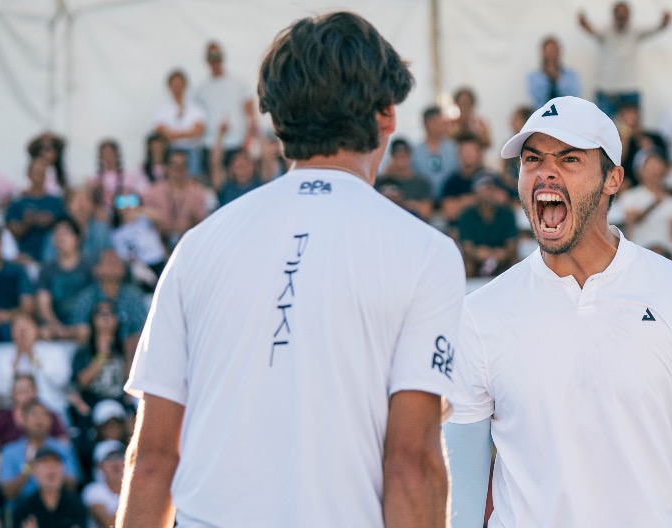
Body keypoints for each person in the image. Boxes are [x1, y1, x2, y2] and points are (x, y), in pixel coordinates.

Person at [119, 12, 464, 528]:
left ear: (277, 122)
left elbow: (152, 461)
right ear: (387, 114)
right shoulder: (425, 253)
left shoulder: (198, 246)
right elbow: (411, 466)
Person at [445, 96, 672, 527]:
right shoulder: (480, 314)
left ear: (613, 179)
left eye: (568, 159)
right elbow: (461, 492)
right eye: (532, 159)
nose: (545, 172)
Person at [577, 2, 672, 115]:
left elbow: (654, 30)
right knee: (603, 128)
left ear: (629, 16)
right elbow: (591, 30)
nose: (622, 18)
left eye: (624, 15)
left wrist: (663, 24)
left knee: (631, 131)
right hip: (607, 91)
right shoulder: (606, 31)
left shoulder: (635, 31)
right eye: (619, 15)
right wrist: (584, 23)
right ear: (614, 16)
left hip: (630, 89)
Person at [616, 151, 672, 252]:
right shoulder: (631, 196)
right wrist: (654, 203)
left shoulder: (671, 201)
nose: (655, 169)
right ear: (640, 171)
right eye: (650, 165)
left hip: (665, 256)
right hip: (640, 254)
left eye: (658, 164)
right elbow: (633, 218)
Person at [194, 41, 258, 172]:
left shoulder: (239, 83)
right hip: (211, 144)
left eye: (217, 56)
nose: (215, 61)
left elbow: (251, 113)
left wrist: (249, 138)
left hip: (237, 142)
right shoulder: (201, 89)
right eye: (211, 57)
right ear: (206, 60)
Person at [68, 249, 149, 352]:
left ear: (123, 270)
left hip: (130, 351)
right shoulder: (87, 296)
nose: (112, 265)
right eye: (108, 262)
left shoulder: (134, 295)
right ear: (96, 270)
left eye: (116, 262)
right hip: (95, 351)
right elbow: (80, 328)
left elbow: (143, 328)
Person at [0, 400, 79, 501]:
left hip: (58, 505)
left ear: (50, 420)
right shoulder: (9, 451)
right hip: (22, 507)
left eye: (44, 414)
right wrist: (28, 468)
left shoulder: (63, 448)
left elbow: (72, 486)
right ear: (23, 420)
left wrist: (53, 470)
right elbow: (8, 493)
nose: (39, 419)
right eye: (34, 414)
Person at [37, 219, 94, 341]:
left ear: (77, 238)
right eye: (57, 234)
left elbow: (94, 300)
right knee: (44, 333)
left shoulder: (89, 267)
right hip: (56, 324)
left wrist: (77, 327)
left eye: (66, 233)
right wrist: (56, 326)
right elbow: (43, 305)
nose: (61, 237)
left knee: (86, 331)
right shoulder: (47, 270)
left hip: (84, 324)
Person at [0, 374, 69, 450]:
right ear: (13, 394)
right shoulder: (1, 417)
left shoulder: (49, 415)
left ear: (35, 392)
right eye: (20, 392)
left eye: (27, 391)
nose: (24, 396)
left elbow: (63, 444)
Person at [142, 149, 209, 246]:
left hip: (190, 241)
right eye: (174, 165)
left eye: (183, 165)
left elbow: (204, 224)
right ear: (167, 167)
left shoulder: (197, 191)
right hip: (159, 243)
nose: (178, 169)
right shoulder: (154, 191)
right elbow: (145, 221)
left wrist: (194, 216)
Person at [6, 158, 67, 261]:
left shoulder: (56, 202)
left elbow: (67, 226)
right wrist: (26, 223)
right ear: (29, 175)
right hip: (26, 257)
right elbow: (11, 233)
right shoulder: (18, 202)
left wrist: (52, 221)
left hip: (54, 258)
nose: (39, 176)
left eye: (42, 173)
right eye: (36, 173)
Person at [73, 301, 130, 411]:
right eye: (101, 314)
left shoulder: (124, 349)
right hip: (93, 404)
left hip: (120, 403)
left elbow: (129, 381)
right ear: (92, 320)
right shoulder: (84, 351)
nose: (106, 318)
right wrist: (101, 356)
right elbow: (81, 383)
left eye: (110, 313)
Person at [11, 448, 89, 528]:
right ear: (34, 471)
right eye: (45, 462)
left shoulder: (75, 504)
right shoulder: (24, 508)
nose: (51, 467)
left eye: (56, 463)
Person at [457, 176, 518, 277]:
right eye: (485, 189)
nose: (489, 193)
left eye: (492, 189)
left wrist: (504, 253)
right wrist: (477, 253)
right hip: (476, 259)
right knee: (468, 265)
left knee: (515, 261)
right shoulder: (466, 215)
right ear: (475, 193)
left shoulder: (507, 213)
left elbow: (512, 244)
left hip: (501, 258)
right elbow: (466, 246)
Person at [153, 69, 206, 176]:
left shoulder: (195, 107)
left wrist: (176, 134)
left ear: (185, 86)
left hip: (191, 149)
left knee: (192, 178)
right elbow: (161, 130)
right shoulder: (162, 109)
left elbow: (199, 130)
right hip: (170, 149)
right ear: (169, 86)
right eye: (174, 84)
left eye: (180, 84)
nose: (177, 87)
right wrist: (185, 133)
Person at [440, 134, 500, 221]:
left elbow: (503, 202)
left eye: (471, 150)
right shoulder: (451, 182)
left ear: (479, 153)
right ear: (458, 154)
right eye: (464, 151)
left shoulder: (491, 177)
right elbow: (450, 213)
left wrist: (462, 202)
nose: (468, 154)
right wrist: (480, 197)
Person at [376, 138, 436, 221]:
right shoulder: (381, 181)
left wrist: (402, 203)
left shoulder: (421, 182)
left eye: (404, 155)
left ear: (411, 156)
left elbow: (426, 212)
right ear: (392, 157)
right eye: (398, 156)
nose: (401, 160)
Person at [90, 139, 150, 219]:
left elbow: (138, 197)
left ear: (117, 154)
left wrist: (122, 195)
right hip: (104, 214)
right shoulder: (95, 178)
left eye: (110, 152)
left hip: (126, 211)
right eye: (104, 153)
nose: (107, 156)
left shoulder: (128, 176)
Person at [412, 106, 460, 195]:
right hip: (424, 198)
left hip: (450, 197)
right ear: (426, 124)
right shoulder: (415, 151)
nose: (441, 126)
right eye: (436, 122)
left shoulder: (453, 148)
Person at [527, 36, 582, 109]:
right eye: (548, 52)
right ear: (543, 53)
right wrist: (547, 76)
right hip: (543, 115)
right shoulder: (533, 76)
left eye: (554, 51)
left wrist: (557, 77)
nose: (551, 55)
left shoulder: (571, 75)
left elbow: (574, 94)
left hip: (566, 113)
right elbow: (537, 96)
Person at [83, 440, 124, 528]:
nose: (116, 463)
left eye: (119, 457)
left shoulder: (136, 490)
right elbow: (109, 524)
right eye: (109, 459)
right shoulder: (92, 491)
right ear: (99, 467)